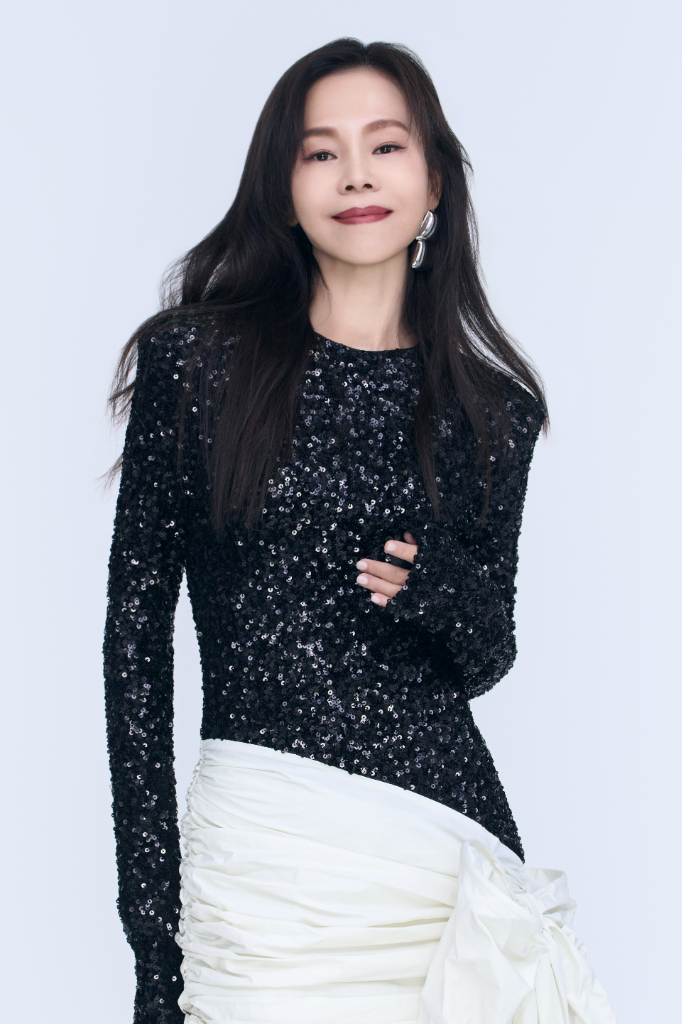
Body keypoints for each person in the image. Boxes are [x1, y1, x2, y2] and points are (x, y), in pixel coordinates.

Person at [104, 37, 615, 1024]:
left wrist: (441, 591)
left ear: (434, 184)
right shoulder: (197, 367)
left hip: (445, 866)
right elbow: (134, 647)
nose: (355, 175)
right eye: (319, 151)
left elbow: (486, 656)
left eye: (385, 146)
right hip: (264, 860)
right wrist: (153, 931)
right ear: (283, 185)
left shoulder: (491, 411)